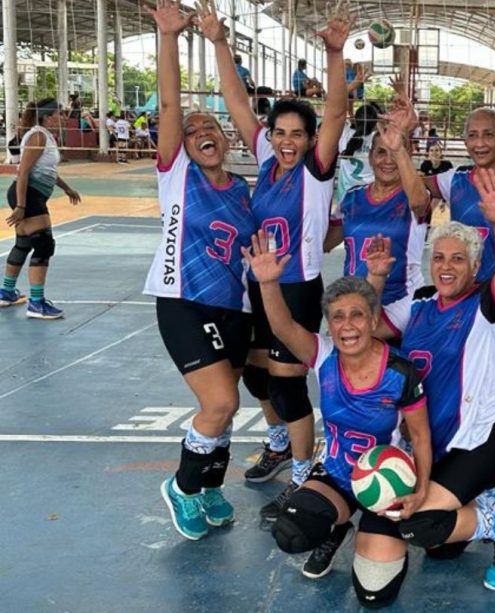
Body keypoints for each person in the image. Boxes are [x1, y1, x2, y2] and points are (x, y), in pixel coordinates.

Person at [364, 170, 495, 592]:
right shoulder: (419, 303)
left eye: (457, 259)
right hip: (432, 444)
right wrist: (376, 277)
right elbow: (369, 327)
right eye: (439, 258)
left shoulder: (487, 305)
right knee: (442, 545)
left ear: (473, 266)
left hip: (480, 439)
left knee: (422, 524)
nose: (446, 267)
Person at [198, 0, 348, 519]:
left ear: (310, 141)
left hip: (296, 288)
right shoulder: (268, 160)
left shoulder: (315, 172)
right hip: (259, 287)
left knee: (286, 385)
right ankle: (282, 444)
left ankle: (306, 477)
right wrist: (219, 42)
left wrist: (334, 54)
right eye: (280, 133)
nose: (287, 141)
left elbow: (335, 112)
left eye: (296, 135)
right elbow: (235, 99)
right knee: (258, 379)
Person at [244, 232, 432, 609]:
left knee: (374, 596)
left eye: (357, 315)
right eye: (338, 317)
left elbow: (421, 437)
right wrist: (267, 282)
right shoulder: (323, 355)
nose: (348, 325)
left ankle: (374, 534)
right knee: (291, 533)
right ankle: (338, 523)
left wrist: (421, 490)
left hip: (388, 482)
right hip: (336, 473)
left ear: (373, 319)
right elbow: (282, 327)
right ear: (329, 324)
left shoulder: (400, 372)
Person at [146, 0, 257, 542]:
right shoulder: (176, 175)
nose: (199, 130)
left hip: (232, 308)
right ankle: (183, 487)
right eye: (191, 130)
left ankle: (211, 485)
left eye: (209, 125)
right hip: (183, 299)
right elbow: (170, 103)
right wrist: (168, 36)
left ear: (226, 137)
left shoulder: (241, 190)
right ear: (183, 146)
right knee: (220, 402)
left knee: (227, 411)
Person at [423, 106, 495, 401]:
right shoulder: (455, 178)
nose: (480, 143)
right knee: (453, 368)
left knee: (494, 375)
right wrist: (398, 152)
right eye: (473, 135)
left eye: (488, 135)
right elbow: (417, 188)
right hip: (458, 293)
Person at [325, 104, 429, 340]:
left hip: (399, 304)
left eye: (395, 152)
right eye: (381, 152)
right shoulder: (353, 197)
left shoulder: (413, 196)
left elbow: (420, 203)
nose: (388, 160)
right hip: (356, 301)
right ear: (370, 158)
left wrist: (398, 147)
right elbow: (325, 242)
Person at [2, 99, 81, 318]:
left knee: (24, 243)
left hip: (33, 194)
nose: (64, 118)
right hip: (28, 194)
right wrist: (20, 205)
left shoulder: (46, 136)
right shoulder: (37, 136)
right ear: (47, 116)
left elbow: (47, 171)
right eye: (60, 114)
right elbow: (23, 172)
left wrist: (67, 188)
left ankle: (7, 292)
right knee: (44, 245)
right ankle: (36, 303)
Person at [335, 101, 382, 206]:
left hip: (345, 193)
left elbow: (339, 108)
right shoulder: (377, 139)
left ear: (356, 119)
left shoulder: (344, 133)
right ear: (375, 122)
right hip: (369, 194)